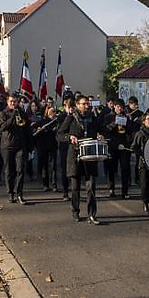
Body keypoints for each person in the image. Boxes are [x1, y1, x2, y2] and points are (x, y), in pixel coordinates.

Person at [56, 95, 106, 224]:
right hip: (75, 156)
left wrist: (101, 135)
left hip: (90, 157)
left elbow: (102, 130)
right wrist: (69, 137)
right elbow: (59, 135)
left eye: (88, 104)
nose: (87, 106)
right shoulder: (71, 118)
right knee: (75, 187)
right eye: (84, 104)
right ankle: (75, 211)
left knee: (91, 187)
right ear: (77, 105)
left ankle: (92, 214)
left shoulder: (93, 118)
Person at [0, 94, 31, 204]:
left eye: (15, 101)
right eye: (11, 101)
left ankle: (19, 193)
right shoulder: (3, 114)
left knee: (20, 170)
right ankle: (10, 193)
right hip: (7, 146)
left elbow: (26, 127)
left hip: (20, 145)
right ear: (7, 102)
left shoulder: (21, 112)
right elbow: (2, 128)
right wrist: (12, 118)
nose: (13, 103)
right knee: (9, 171)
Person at [104, 99, 132, 198]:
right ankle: (111, 188)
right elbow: (106, 129)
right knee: (111, 168)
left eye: (121, 107)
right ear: (114, 107)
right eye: (118, 106)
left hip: (124, 145)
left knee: (125, 168)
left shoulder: (126, 117)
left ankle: (125, 191)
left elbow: (130, 130)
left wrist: (127, 122)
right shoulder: (108, 117)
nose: (120, 109)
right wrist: (115, 123)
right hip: (112, 145)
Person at [33, 105, 60, 191]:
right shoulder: (42, 122)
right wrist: (39, 129)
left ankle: (54, 185)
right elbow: (34, 129)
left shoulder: (57, 122)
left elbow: (58, 132)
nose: (53, 114)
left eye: (54, 112)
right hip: (43, 145)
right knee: (45, 166)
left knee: (53, 166)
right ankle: (45, 184)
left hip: (53, 145)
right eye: (51, 113)